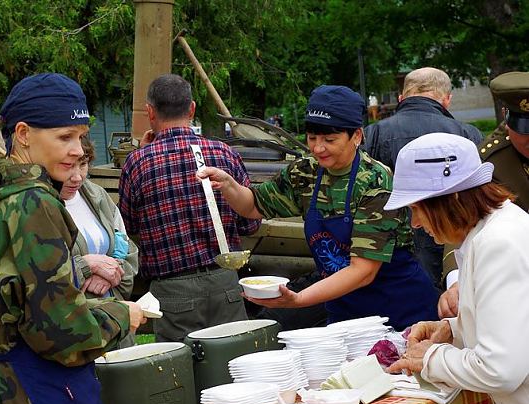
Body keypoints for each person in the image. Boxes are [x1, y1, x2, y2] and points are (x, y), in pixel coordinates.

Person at [0, 73, 145, 404]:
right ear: (22, 135)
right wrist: (123, 316)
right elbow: (60, 334)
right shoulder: (31, 202)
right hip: (39, 392)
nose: (79, 150)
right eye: (65, 137)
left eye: (80, 137)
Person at [199, 85, 439, 331]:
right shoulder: (305, 172)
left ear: (356, 136)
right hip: (345, 310)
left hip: (399, 309)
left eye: (329, 140)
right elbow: (252, 205)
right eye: (312, 138)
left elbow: (363, 271)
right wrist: (228, 185)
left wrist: (298, 299)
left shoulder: (375, 181)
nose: (317, 148)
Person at [386, 132, 529, 404]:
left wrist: (429, 358)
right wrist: (453, 329)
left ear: (451, 199)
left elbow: (499, 369)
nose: (414, 223)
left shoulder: (497, 242)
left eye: (416, 208)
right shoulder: (494, 230)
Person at [118, 74, 260, 342]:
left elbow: (129, 227)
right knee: (232, 372)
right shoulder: (224, 153)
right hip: (225, 283)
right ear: (192, 108)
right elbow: (250, 222)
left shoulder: (136, 163)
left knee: (180, 376)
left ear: (150, 112)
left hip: (172, 293)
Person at [364, 67, 483, 290]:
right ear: (447, 99)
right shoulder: (468, 135)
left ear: (401, 98)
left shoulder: (373, 134)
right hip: (454, 256)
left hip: (389, 260)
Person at [438, 71, 529, 319]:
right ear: (506, 118)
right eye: (525, 129)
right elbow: (460, 217)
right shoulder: (489, 161)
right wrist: (458, 280)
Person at [60, 137, 139, 348]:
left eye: (83, 164)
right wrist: (86, 266)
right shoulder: (41, 204)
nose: (77, 177)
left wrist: (112, 273)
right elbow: (42, 274)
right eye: (69, 166)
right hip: (77, 332)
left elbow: (126, 249)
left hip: (116, 322)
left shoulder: (97, 195)